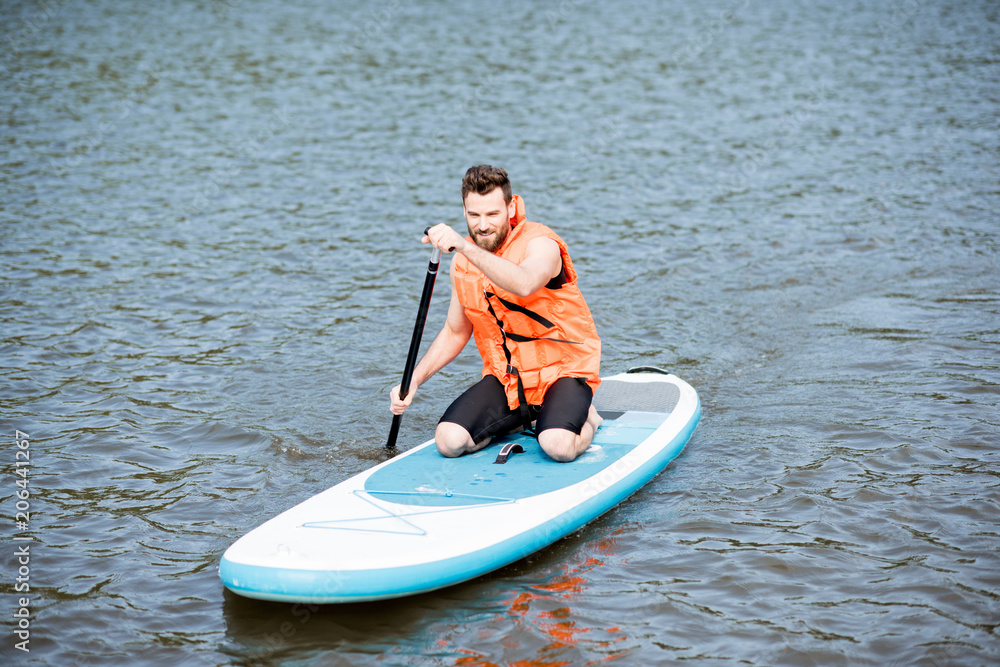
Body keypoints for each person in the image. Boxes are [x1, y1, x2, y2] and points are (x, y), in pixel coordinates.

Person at [390, 165, 602, 462]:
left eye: (492, 214)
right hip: (508, 379)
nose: (483, 225)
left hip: (563, 372)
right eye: (474, 215)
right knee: (449, 442)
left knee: (557, 446)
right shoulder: (462, 264)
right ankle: (517, 419)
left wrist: (464, 246)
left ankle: (588, 418)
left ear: (511, 207)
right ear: (464, 212)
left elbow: (525, 283)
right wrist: (413, 380)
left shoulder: (542, 244)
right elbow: (455, 331)